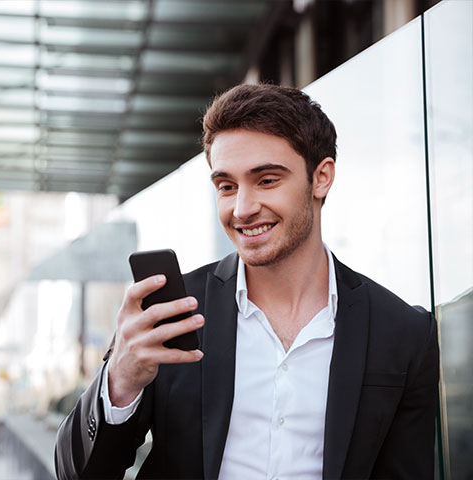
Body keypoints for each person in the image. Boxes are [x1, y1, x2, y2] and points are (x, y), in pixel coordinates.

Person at [54, 84, 440, 479]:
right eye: (226, 186)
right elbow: (76, 474)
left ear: (321, 178)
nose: (242, 209)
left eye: (267, 180)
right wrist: (120, 380)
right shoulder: (171, 314)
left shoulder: (404, 332)